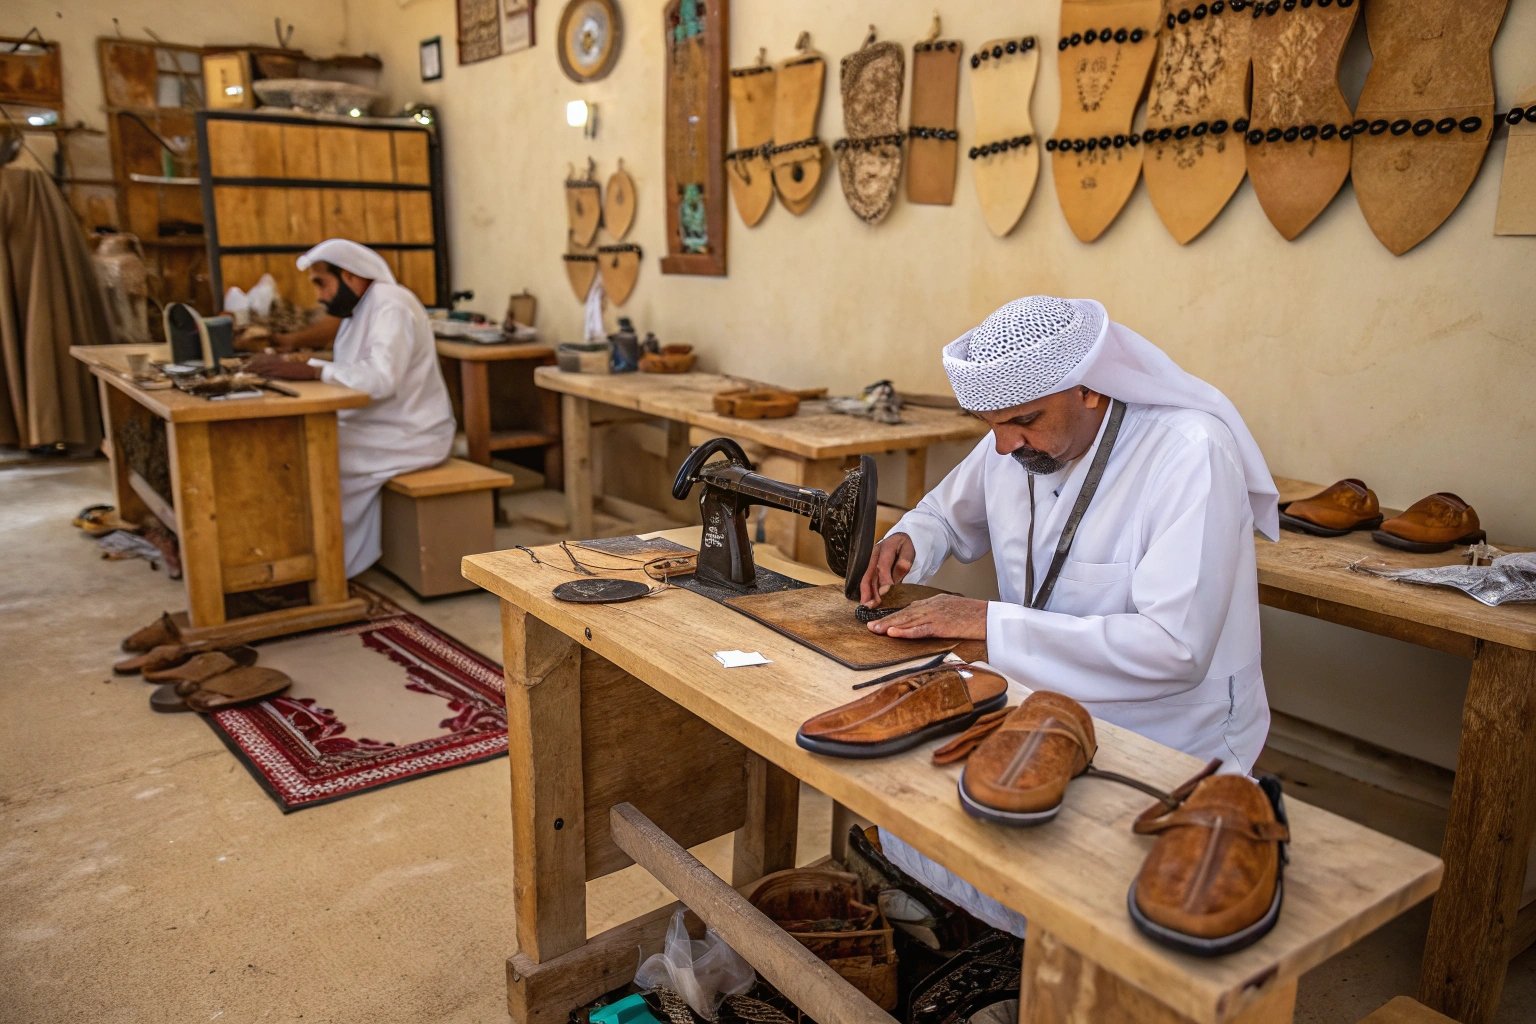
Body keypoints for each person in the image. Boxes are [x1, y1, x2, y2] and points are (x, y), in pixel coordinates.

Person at [856, 295, 1281, 933]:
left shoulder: (1189, 454)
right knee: (914, 810)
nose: (1001, 447)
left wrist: (986, 621)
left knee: (1106, 903)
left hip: (1170, 732)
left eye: (1021, 422)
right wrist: (913, 540)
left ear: (1089, 388)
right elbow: (948, 512)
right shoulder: (1017, 435)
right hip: (1048, 705)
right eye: (988, 425)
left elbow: (1174, 649)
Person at [247, 239, 455, 578]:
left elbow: (381, 379)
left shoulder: (391, 305)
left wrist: (314, 369)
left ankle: (329, 569)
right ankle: (307, 560)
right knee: (294, 445)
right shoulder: (360, 310)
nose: (318, 296)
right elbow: (356, 370)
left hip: (411, 434)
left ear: (351, 277)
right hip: (377, 428)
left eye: (321, 283)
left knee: (312, 455)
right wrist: (303, 364)